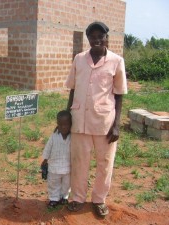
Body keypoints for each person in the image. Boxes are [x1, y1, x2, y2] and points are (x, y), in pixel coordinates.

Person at [65, 21, 127, 217]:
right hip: (79, 120)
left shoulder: (116, 61)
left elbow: (119, 94)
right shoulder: (79, 59)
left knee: (105, 162)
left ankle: (99, 199)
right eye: (93, 36)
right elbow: (73, 89)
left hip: (104, 122)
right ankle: (78, 197)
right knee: (79, 161)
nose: (97, 40)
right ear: (88, 39)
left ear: (106, 37)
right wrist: (67, 116)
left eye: (101, 36)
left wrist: (116, 125)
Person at [41, 110, 72, 208]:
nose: (63, 127)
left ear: (71, 124)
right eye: (61, 124)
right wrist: (45, 160)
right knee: (53, 184)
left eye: (66, 124)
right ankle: (54, 199)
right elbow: (48, 148)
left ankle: (64, 197)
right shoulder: (54, 136)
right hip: (54, 168)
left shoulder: (73, 137)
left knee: (66, 184)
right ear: (57, 124)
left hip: (68, 168)